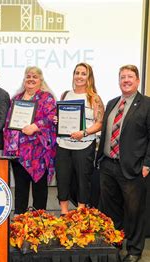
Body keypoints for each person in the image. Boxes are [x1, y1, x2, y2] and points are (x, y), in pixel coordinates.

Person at [96, 65, 150, 262]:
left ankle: (134, 250)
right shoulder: (111, 103)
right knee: (111, 210)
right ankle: (115, 242)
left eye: (130, 77)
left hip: (133, 168)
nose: (126, 80)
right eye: (122, 77)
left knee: (134, 212)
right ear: (119, 81)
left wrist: (148, 164)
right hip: (108, 165)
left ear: (138, 80)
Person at [3, 66, 56, 215]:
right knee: (20, 190)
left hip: (39, 153)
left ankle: (39, 227)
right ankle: (20, 224)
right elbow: (8, 123)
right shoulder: (16, 99)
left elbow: (52, 118)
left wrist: (36, 126)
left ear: (40, 80)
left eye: (35, 77)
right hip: (19, 153)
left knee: (40, 191)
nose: (31, 79)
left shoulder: (47, 98)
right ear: (24, 79)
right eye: (28, 76)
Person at [55, 63, 104, 214]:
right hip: (63, 145)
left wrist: (84, 133)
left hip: (84, 145)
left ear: (89, 77)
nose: (79, 76)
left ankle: (80, 212)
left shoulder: (94, 98)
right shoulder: (65, 94)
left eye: (84, 74)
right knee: (62, 179)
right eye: (77, 73)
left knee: (83, 180)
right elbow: (60, 117)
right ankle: (64, 211)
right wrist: (57, 120)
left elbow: (100, 124)